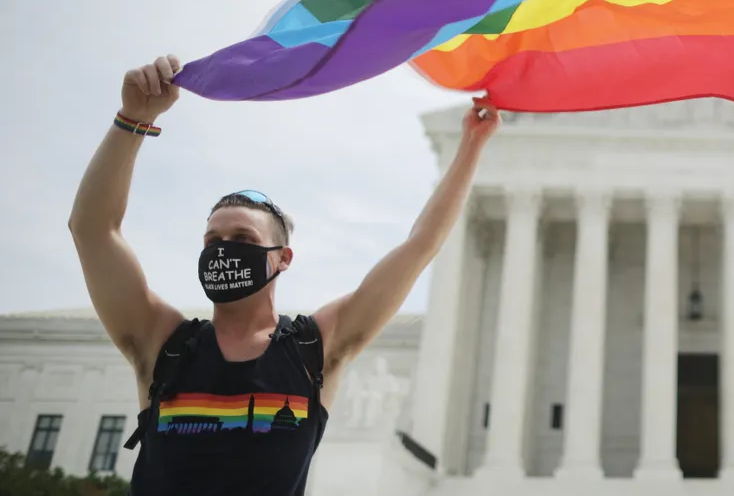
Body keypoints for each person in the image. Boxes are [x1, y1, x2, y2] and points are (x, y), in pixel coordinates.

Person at [68, 54, 498, 495]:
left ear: (283, 258)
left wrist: (471, 148)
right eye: (213, 240)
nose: (224, 249)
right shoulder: (163, 344)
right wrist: (133, 120)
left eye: (243, 238)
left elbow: (419, 247)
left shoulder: (314, 351)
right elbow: (93, 231)